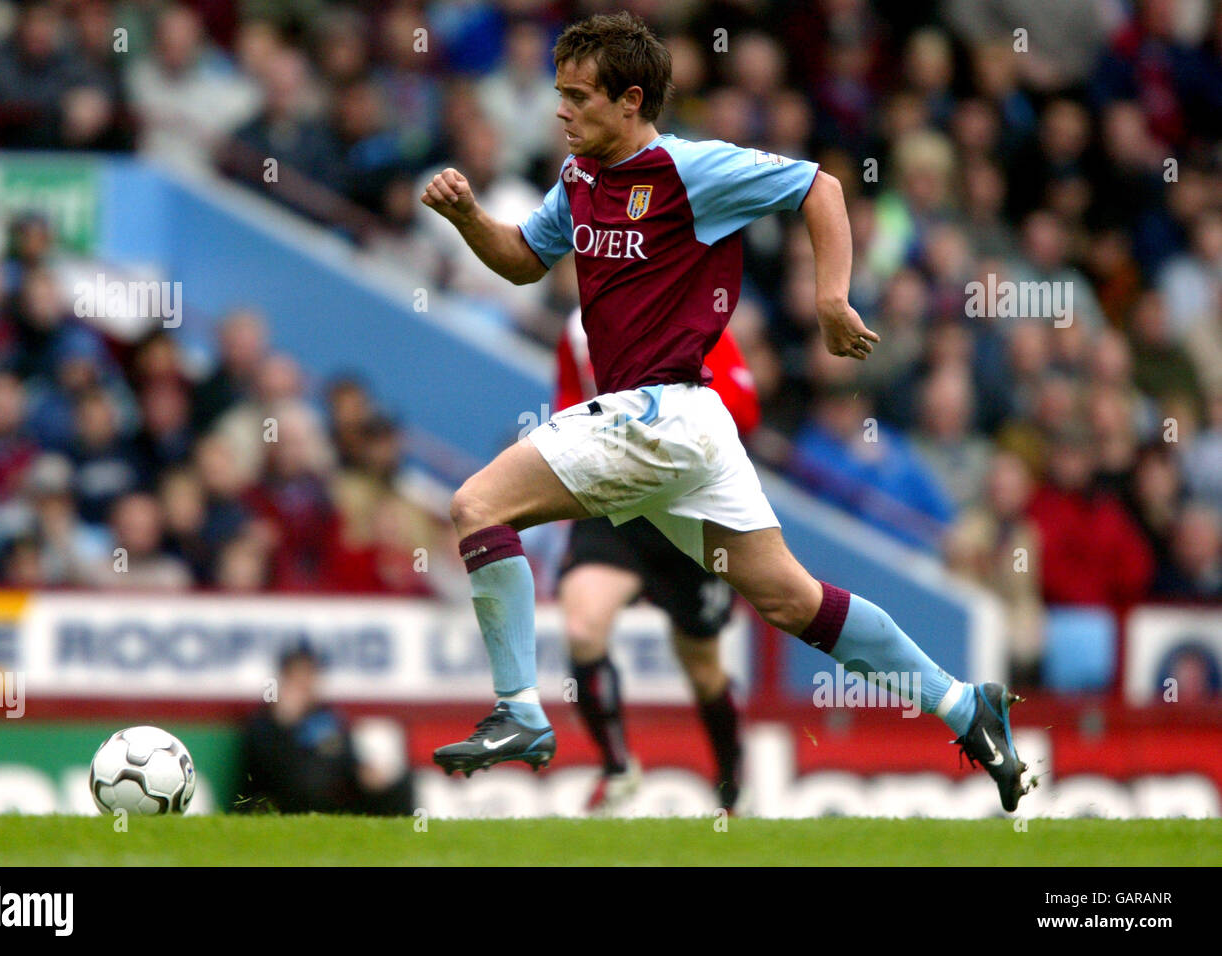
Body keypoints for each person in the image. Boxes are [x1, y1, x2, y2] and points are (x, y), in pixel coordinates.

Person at [420, 12, 1029, 812]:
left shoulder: (688, 170)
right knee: (791, 599)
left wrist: (831, 297)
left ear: (631, 99)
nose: (559, 112)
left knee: (475, 505)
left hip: (660, 414)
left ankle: (520, 712)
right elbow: (526, 262)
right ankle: (962, 703)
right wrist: (468, 217)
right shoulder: (577, 181)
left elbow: (822, 185)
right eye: (558, 95)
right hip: (682, 433)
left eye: (577, 97)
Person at [556, 307, 757, 813]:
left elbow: (744, 408)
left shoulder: (693, 319)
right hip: (615, 501)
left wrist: (662, 427)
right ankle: (617, 767)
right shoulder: (577, 327)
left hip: (687, 507)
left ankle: (733, 781)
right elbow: (565, 402)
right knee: (583, 626)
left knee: (703, 666)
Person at [237, 642, 413, 815]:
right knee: (309, 781)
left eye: (310, 675)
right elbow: (262, 769)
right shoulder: (265, 721)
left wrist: (365, 772)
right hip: (285, 797)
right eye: (298, 675)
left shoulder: (328, 718)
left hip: (336, 796)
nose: (304, 683)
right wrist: (284, 724)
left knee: (401, 783)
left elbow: (347, 760)